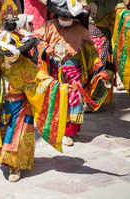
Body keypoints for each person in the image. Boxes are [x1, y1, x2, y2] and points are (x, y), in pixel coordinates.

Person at [0, 12, 69, 182]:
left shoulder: (26, 65)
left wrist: (60, 87)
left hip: (21, 106)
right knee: (2, 137)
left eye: (14, 53)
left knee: (17, 138)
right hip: (1, 105)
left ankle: (15, 167)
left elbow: (42, 79)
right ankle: (7, 162)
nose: (11, 56)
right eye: (7, 53)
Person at [33, 0, 111, 146]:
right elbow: (34, 38)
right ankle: (58, 129)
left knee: (73, 99)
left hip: (74, 71)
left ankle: (68, 132)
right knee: (57, 98)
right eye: (62, 17)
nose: (65, 20)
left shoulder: (81, 29)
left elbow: (92, 52)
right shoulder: (49, 26)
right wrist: (45, 47)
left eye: (68, 17)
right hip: (54, 71)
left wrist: (100, 72)